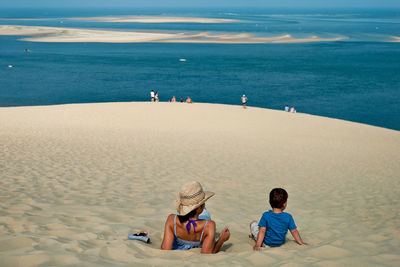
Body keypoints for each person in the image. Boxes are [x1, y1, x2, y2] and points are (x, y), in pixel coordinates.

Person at [161, 181, 230, 253]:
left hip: (180, 231)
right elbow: (207, 254)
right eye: (203, 203)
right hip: (201, 231)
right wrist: (221, 240)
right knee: (206, 214)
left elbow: (165, 249)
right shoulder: (209, 225)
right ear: (199, 207)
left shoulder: (172, 219)